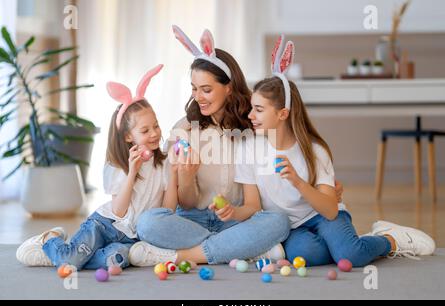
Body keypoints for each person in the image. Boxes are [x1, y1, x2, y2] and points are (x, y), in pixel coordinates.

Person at [234, 36, 436, 267]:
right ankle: (343, 244)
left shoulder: (314, 150)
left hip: (323, 215)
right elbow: (253, 205)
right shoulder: (248, 148)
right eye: (252, 108)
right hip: (293, 227)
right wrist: (233, 213)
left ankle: (389, 238)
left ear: (283, 113)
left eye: (258, 110)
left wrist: (298, 182)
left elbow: (330, 211)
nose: (250, 116)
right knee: (306, 256)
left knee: (351, 256)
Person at [128, 26, 292, 267]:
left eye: (206, 89)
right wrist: (186, 176)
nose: (198, 97)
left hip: (236, 219)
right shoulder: (183, 129)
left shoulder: (253, 127)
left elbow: (255, 201)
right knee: (148, 223)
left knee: (279, 221)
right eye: (194, 89)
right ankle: (240, 248)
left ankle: (185, 256)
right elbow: (186, 203)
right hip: (191, 220)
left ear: (229, 87)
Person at [16, 65, 179, 271]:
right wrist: (132, 173)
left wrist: (173, 174)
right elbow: (119, 211)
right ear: (128, 136)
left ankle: (67, 255)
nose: (155, 133)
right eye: (145, 130)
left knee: (117, 260)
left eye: (156, 126)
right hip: (105, 225)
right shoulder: (118, 164)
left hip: (130, 239)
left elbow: (167, 212)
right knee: (72, 262)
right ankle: (52, 239)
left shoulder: (163, 164)